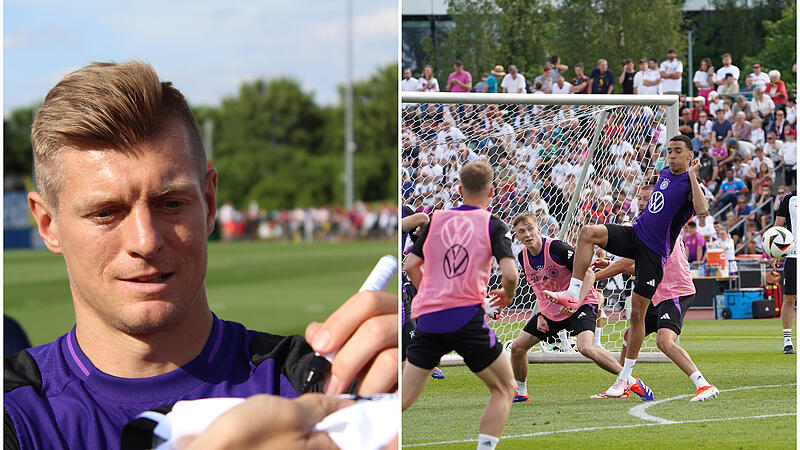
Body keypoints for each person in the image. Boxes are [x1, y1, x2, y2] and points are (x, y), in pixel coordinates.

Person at [4, 61, 398, 449]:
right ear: (47, 224)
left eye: (171, 204)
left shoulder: (317, 388)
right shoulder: (13, 412)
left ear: (209, 203)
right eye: (106, 212)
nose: (145, 240)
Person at [544, 135, 708, 399]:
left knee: (641, 325)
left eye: (678, 151)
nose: (672, 156)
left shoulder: (689, 185)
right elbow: (625, 261)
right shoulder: (663, 174)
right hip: (636, 236)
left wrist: (692, 176)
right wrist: (605, 265)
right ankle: (573, 294)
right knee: (588, 232)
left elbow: (702, 211)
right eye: (669, 151)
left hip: (658, 263)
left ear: (691, 155)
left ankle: (686, 382)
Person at [403, 161, 518, 450]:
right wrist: (507, 293)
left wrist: (424, 294)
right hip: (466, 318)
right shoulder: (493, 224)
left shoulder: (435, 219)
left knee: (403, 399)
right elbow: (510, 274)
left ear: (459, 188)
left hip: (428, 319)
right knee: (505, 388)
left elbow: (411, 264)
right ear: (491, 191)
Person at [592, 184, 719, 402]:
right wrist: (610, 264)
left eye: (647, 199)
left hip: (676, 292)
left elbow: (628, 264)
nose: (642, 202)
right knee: (630, 334)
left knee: (665, 342)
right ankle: (622, 382)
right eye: (639, 198)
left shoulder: (659, 226)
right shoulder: (645, 226)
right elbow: (636, 264)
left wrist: (592, 278)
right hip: (658, 293)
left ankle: (704, 384)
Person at [508, 213, 652, 402]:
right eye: (521, 231)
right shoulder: (523, 256)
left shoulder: (557, 248)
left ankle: (630, 381)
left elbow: (590, 275)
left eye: (530, 229)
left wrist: (576, 300)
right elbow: (539, 288)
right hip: (552, 311)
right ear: (517, 236)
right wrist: (542, 315)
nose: (527, 234)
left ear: (538, 228)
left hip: (582, 302)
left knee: (586, 347)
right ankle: (521, 392)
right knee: (517, 348)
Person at [773, 190, 797, 354]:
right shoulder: (789, 198)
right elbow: (778, 227)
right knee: (789, 298)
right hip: (794, 255)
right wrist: (775, 252)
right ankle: (787, 341)